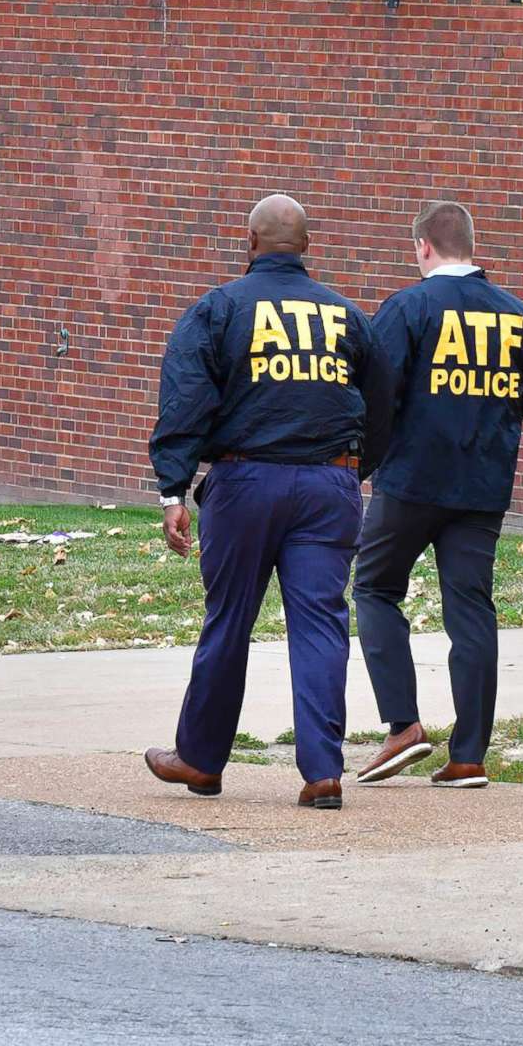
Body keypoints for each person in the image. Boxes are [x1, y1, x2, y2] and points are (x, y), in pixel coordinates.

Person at [145, 194, 374, 811]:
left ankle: (200, 759)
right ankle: (323, 773)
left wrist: (174, 489)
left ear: (249, 242)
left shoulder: (219, 309)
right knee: (322, 625)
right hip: (330, 487)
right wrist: (357, 471)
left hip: (246, 485)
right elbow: (384, 402)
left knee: (230, 620)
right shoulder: (346, 316)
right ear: (306, 245)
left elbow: (185, 399)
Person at [349, 202, 523, 789]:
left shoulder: (408, 308)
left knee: (375, 587)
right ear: (469, 244)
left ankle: (403, 725)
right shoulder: (517, 314)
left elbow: (376, 391)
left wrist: (368, 461)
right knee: (471, 609)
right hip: (483, 484)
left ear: (424, 248)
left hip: (411, 480)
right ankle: (469, 756)